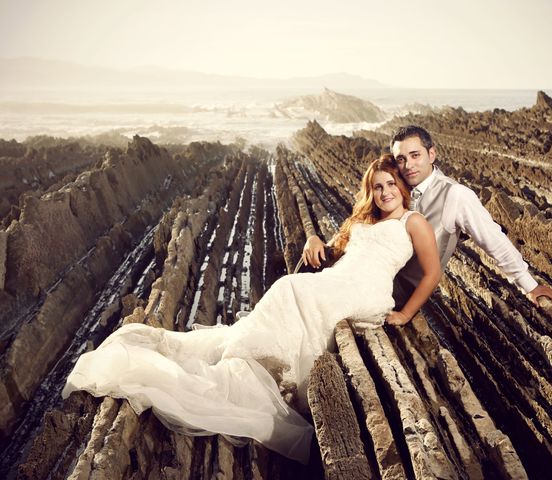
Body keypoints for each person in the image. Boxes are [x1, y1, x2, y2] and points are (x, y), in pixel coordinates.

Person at [62, 154, 441, 464]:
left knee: (295, 289)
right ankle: (249, 360)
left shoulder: (414, 221)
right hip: (340, 281)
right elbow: (333, 251)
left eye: (392, 184)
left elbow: (432, 272)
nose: (385, 191)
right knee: (289, 287)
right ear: (370, 192)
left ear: (403, 188)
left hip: (366, 293)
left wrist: (405, 314)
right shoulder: (365, 220)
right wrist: (312, 238)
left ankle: (256, 363)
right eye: (378, 187)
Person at [304, 125, 552, 308]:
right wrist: (321, 242)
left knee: (317, 296)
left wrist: (530, 285)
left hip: (399, 289)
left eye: (416, 156)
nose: (409, 165)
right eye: (401, 159)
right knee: (306, 270)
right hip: (367, 268)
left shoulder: (456, 195)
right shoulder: (394, 185)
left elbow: (493, 240)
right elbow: (363, 225)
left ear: (431, 155)